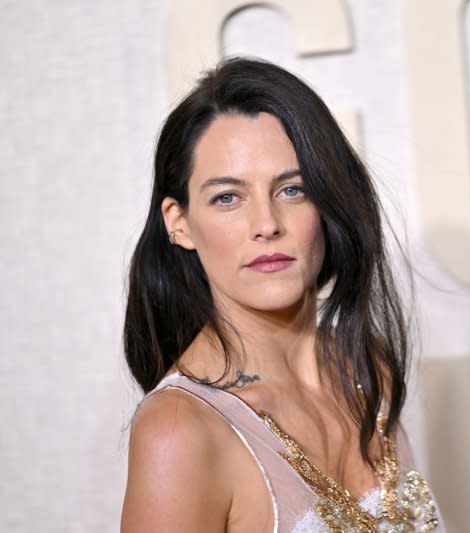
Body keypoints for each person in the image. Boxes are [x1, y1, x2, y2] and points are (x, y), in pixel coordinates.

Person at [121, 57, 443, 532]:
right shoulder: (179, 428)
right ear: (180, 223)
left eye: (292, 189)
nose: (267, 224)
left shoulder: (365, 369)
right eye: (228, 198)